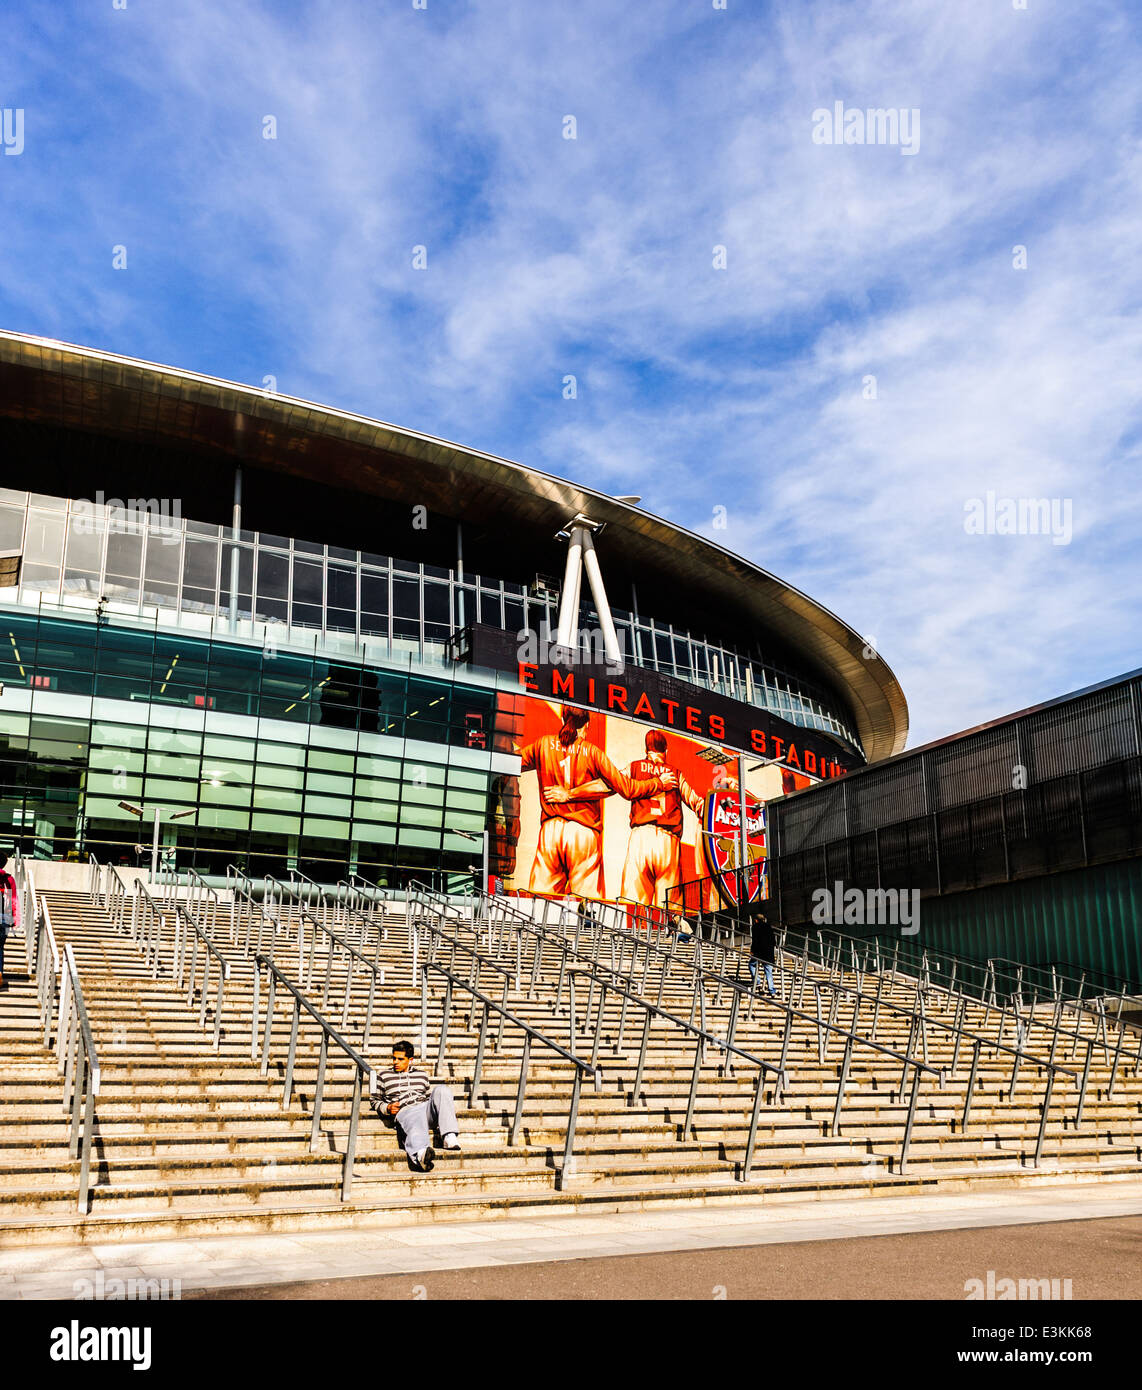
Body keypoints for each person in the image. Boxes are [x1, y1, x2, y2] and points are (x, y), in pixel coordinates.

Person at [519, 706, 673, 897]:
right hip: (583, 832)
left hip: (550, 832)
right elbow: (628, 788)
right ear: (587, 725)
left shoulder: (542, 745)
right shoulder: (592, 753)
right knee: (587, 909)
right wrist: (658, 782)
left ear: (562, 720)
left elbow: (511, 761)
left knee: (539, 903)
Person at [619, 730, 705, 909]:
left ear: (646, 750)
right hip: (667, 841)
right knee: (669, 909)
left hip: (640, 838)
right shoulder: (675, 773)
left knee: (634, 906)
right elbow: (697, 802)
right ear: (666, 751)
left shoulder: (633, 767)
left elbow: (614, 782)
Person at [369, 1040, 460, 1172]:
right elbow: (375, 1100)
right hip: (405, 1110)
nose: (395, 1062)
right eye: (394, 1058)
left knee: (442, 1090)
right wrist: (387, 1108)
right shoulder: (383, 1076)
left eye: (400, 1059)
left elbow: (431, 1099)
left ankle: (449, 1136)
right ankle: (421, 1154)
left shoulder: (422, 1075)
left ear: (410, 1060)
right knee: (415, 1113)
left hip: (424, 1108)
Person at [0, 853, 20, 993]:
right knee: (0, 947)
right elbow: (14, 899)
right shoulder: (9, 879)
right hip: (5, 919)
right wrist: (15, 918)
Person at [748, 912, 777, 997]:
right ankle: (772, 990)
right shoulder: (769, 927)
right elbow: (773, 940)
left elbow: (755, 940)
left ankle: (757, 981)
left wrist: (752, 950)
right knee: (768, 972)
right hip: (769, 954)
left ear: (756, 920)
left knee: (751, 965)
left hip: (759, 953)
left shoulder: (755, 927)